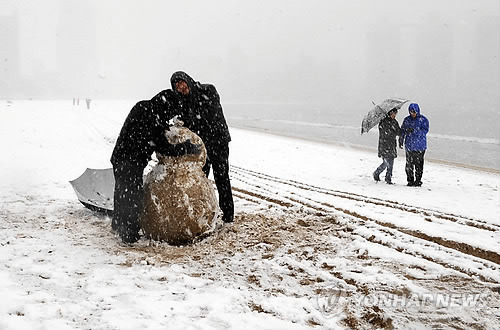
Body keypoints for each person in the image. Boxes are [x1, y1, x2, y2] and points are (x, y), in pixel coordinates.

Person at [111, 100, 201, 243]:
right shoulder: (153, 118)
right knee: (132, 195)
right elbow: (164, 148)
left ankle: (118, 225)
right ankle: (129, 234)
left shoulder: (144, 107)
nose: (170, 117)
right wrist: (187, 147)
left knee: (123, 192)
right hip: (129, 160)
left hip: (121, 157)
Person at [151, 71, 234, 223]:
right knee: (200, 179)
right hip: (201, 147)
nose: (180, 87)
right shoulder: (181, 102)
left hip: (218, 142)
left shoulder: (208, 90)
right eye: (176, 86)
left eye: (181, 82)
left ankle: (228, 217)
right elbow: (181, 119)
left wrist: (188, 120)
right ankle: (204, 214)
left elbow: (209, 115)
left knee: (222, 178)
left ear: (188, 80)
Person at [399, 103, 429, 187]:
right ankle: (410, 180)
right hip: (409, 146)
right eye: (411, 111)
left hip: (420, 146)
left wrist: (415, 130)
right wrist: (401, 139)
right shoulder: (406, 120)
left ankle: (418, 180)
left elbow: (425, 131)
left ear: (417, 111)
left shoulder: (423, 120)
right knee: (409, 165)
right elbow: (402, 130)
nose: (412, 113)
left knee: (419, 165)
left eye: (414, 111)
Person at [373, 108, 400, 184]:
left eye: (395, 113)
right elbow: (385, 133)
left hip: (392, 145)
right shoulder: (383, 122)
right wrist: (392, 132)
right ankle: (379, 174)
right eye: (393, 113)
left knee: (391, 162)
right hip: (384, 145)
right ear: (389, 113)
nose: (394, 115)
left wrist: (406, 131)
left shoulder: (395, 122)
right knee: (387, 162)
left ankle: (387, 177)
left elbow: (398, 131)